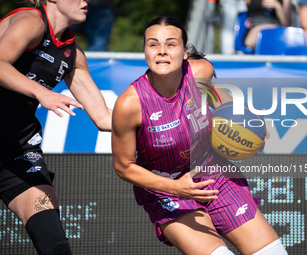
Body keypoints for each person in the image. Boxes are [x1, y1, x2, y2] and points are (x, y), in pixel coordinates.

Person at [112, 16, 288, 255]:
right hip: (166, 187)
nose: (162, 51)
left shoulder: (199, 72)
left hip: (213, 174)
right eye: (153, 44)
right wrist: (175, 187)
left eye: (170, 44)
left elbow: (218, 96)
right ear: (144, 51)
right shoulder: (129, 104)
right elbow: (124, 167)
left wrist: (245, 116)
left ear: (185, 51)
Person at [0, 0, 112, 254]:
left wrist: (159, 122)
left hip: (16, 153)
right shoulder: (31, 21)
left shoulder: (73, 54)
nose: (86, 1)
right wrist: (43, 94)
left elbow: (104, 117)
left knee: (55, 245)